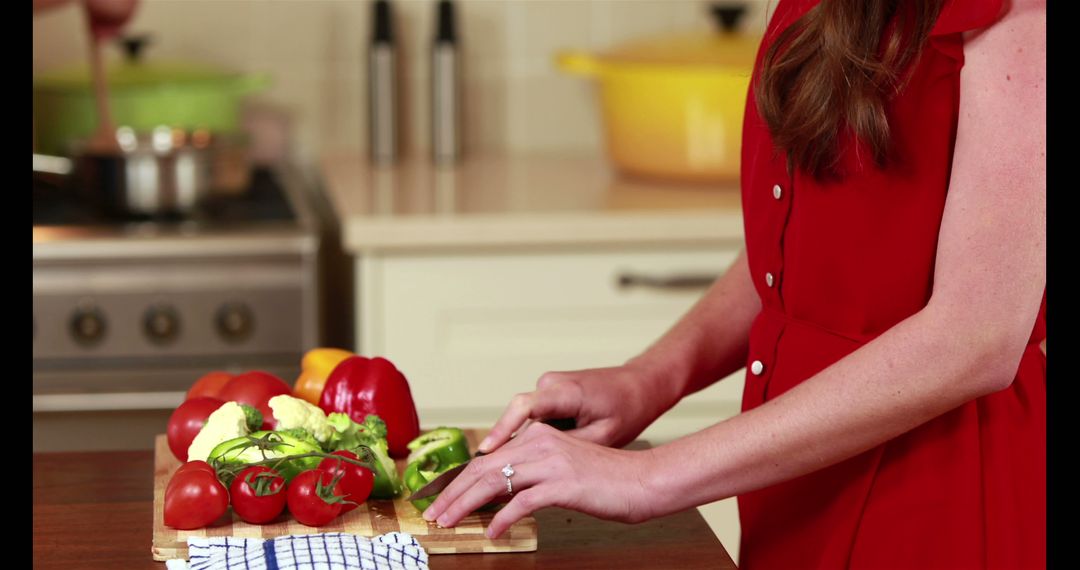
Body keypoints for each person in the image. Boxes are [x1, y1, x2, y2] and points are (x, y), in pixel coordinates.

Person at [421, 0, 1046, 567]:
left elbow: (978, 336)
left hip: (938, 502)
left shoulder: (1022, 19)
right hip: (792, 487)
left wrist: (649, 477)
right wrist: (652, 378)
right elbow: (804, 248)